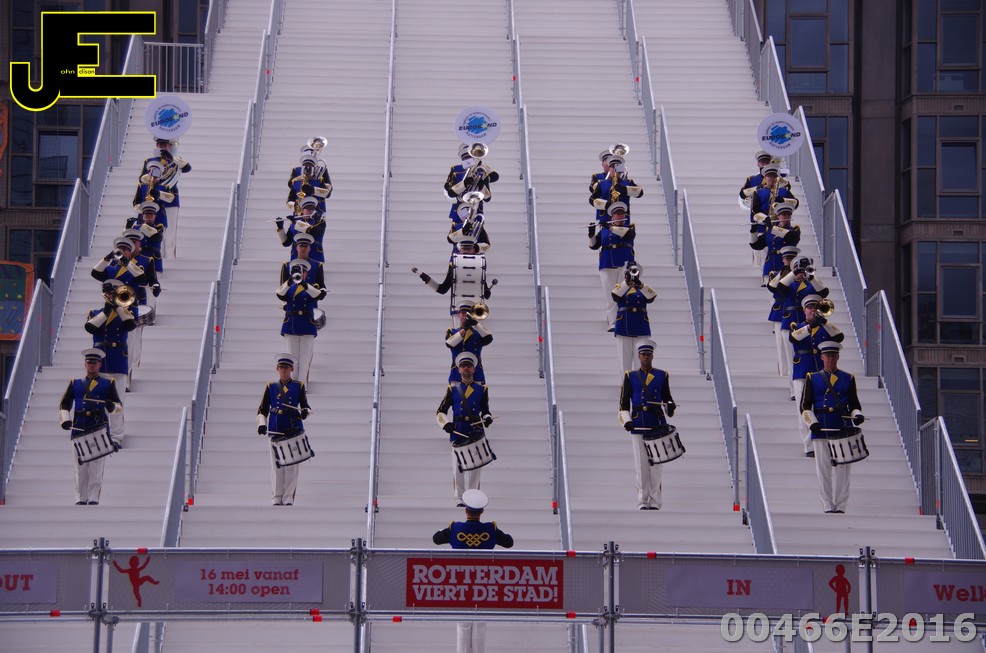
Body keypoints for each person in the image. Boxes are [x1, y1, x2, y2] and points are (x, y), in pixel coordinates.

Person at [432, 489, 513, 653]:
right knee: (480, 623)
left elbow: (436, 538)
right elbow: (509, 542)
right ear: (482, 511)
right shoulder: (491, 529)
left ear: (465, 510)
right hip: (484, 581)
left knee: (463, 623)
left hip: (460, 581)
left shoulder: (455, 528)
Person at [800, 342, 864, 513]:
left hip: (842, 428)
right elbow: (805, 407)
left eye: (833, 356)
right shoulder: (812, 377)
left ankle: (841, 505)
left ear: (838, 357)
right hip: (821, 427)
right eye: (827, 356)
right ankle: (827, 504)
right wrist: (812, 423)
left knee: (844, 469)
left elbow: (854, 404)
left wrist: (857, 415)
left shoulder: (848, 378)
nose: (830, 359)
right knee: (823, 469)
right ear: (822, 357)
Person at [59, 349, 122, 505]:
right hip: (79, 428)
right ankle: (81, 498)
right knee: (80, 466)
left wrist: (111, 406)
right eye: (88, 363)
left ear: (99, 364)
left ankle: (93, 497)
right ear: (84, 364)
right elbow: (64, 404)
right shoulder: (75, 383)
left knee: (96, 467)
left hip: (98, 429)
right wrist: (65, 420)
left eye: (94, 363)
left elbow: (119, 407)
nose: (91, 365)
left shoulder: (108, 383)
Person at [618, 340, 675, 510]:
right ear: (638, 356)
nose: (645, 357)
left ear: (652, 356)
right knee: (641, 466)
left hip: (657, 425)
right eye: (643, 354)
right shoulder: (630, 376)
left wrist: (670, 406)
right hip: (638, 424)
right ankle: (643, 500)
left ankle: (655, 501)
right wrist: (627, 421)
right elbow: (623, 404)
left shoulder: (662, 375)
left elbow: (667, 399)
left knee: (656, 466)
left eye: (648, 354)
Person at [789, 295, 845, 455]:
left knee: (821, 407)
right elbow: (794, 338)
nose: (812, 310)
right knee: (804, 409)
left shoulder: (825, 328)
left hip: (820, 374)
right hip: (802, 372)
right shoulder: (797, 326)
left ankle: (821, 441)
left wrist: (824, 322)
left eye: (815, 307)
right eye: (809, 308)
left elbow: (839, 337)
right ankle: (809, 445)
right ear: (804, 310)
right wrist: (810, 326)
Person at [437, 353, 494, 507]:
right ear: (459, 370)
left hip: (475, 432)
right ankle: (459, 498)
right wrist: (446, 424)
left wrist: (487, 418)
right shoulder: (452, 389)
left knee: (476, 468)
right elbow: (440, 412)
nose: (466, 368)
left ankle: (474, 498)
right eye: (463, 366)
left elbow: (485, 411)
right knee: (458, 468)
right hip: (458, 431)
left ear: (474, 369)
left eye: (469, 365)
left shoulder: (482, 389)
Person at [257, 353, 312, 506]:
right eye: (281, 367)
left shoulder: (299, 386)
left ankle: (288, 496)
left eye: (286, 367)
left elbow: (305, 405)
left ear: (291, 369)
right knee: (276, 465)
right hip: (276, 427)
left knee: (292, 465)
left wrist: (305, 412)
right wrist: (261, 424)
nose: (283, 370)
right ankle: (277, 495)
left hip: (293, 428)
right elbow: (262, 409)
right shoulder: (271, 386)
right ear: (277, 369)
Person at [413, 239, 497, 317]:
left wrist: (487, 291)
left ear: (473, 250)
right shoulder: (454, 269)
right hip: (458, 309)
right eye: (464, 249)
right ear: (460, 250)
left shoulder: (479, 267)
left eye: (469, 249)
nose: (466, 251)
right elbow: (442, 289)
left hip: (474, 309)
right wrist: (427, 280)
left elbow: (486, 295)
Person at [276, 257, 325, 386]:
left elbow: (318, 295)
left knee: (304, 359)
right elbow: (279, 294)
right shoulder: (288, 287)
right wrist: (289, 282)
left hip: (307, 325)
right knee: (293, 359)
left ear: (306, 273)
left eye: (302, 271)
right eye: (296, 270)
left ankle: (302, 386)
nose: (299, 273)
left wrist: (303, 284)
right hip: (291, 324)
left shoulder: (311, 287)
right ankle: (293, 385)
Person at [589, 202, 636, 329]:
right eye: (617, 214)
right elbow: (594, 246)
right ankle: (613, 322)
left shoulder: (629, 227)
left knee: (623, 293)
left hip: (624, 265)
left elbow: (629, 235)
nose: (620, 216)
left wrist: (610, 228)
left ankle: (623, 321)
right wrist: (591, 234)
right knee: (610, 294)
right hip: (607, 264)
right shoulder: (604, 230)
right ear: (612, 217)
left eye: (622, 213)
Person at [612, 261, 656, 372]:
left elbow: (651, 297)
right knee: (624, 362)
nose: (633, 274)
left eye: (635, 271)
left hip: (641, 327)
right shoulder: (621, 287)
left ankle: (639, 383)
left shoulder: (643, 288)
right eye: (630, 271)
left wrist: (640, 284)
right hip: (623, 327)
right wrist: (626, 282)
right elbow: (615, 296)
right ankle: (625, 383)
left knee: (640, 363)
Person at [766, 246, 800, 378]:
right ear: (783, 260)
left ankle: (790, 373)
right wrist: (783, 272)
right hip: (780, 311)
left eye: (792, 259)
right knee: (781, 345)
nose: (789, 261)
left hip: (795, 312)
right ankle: (783, 372)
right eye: (787, 259)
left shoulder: (800, 275)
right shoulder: (777, 274)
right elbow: (772, 287)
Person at [749, 200, 801, 285]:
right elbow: (756, 245)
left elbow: (791, 238)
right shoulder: (769, 231)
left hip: (786, 264)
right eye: (783, 214)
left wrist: (772, 227)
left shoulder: (795, 230)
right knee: (768, 285)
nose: (786, 217)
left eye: (788, 214)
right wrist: (753, 230)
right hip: (770, 264)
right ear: (778, 216)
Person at [444, 144, 499, 219]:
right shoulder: (456, 170)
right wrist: (464, 184)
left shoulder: (481, 171)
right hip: (460, 207)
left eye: (471, 157)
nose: (468, 160)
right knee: (459, 225)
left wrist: (482, 186)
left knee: (476, 224)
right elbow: (450, 193)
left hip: (476, 208)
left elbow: (487, 198)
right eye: (465, 157)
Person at [446, 303, 493, 383]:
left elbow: (489, 339)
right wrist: (465, 328)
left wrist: (476, 323)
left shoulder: (478, 333)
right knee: (455, 390)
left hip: (476, 372)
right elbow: (449, 344)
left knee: (478, 390)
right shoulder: (452, 331)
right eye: (463, 313)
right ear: (459, 314)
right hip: (457, 372)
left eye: (469, 313)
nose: (465, 315)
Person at [590, 153, 643, 221]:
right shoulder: (602, 183)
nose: (615, 169)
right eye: (612, 167)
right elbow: (592, 199)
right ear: (609, 169)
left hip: (623, 219)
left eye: (617, 167)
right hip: (605, 219)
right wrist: (606, 204)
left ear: (621, 169)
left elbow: (640, 193)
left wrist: (625, 189)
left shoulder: (628, 182)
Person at [276, 196, 327, 263]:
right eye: (307, 208)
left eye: (312, 209)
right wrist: (280, 228)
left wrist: (296, 223)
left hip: (314, 257)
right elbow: (286, 243)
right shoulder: (294, 223)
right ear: (302, 210)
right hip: (296, 258)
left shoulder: (320, 222)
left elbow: (314, 232)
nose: (310, 211)